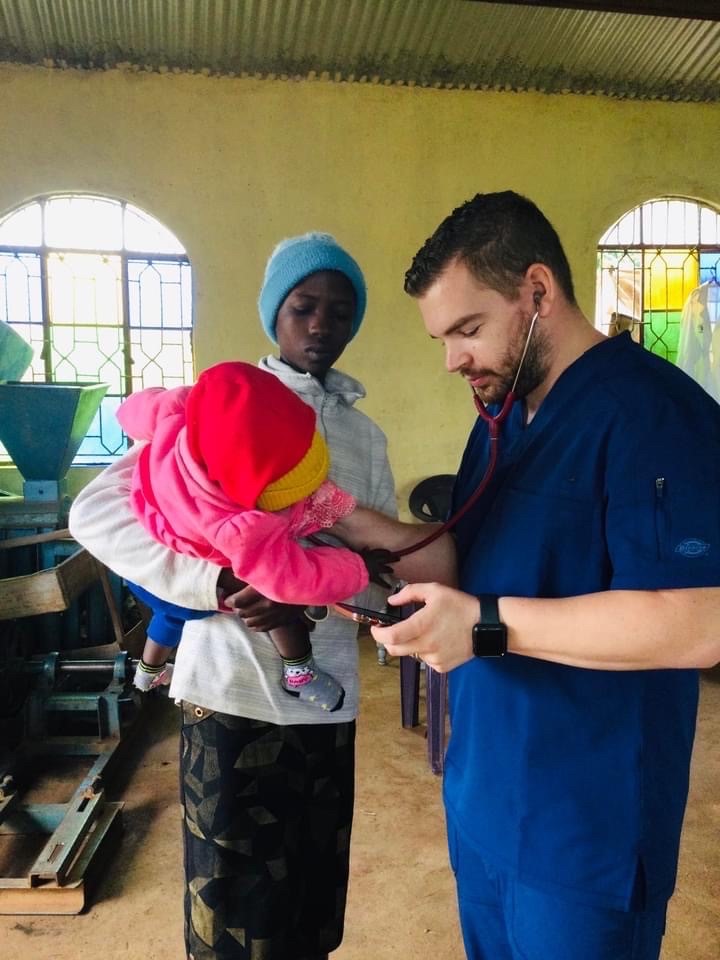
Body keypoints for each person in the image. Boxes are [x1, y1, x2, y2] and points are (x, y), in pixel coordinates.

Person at [334, 191, 720, 960]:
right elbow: (465, 560)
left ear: (537, 292)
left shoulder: (653, 414)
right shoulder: (503, 416)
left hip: (586, 834)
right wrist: (341, 531)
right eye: (442, 338)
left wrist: (485, 627)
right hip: (486, 794)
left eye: (467, 329)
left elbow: (698, 622)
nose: (452, 359)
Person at [69, 232, 400, 960]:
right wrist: (218, 584)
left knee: (309, 906)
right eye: (304, 307)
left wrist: (319, 595)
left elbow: (376, 573)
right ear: (272, 313)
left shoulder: (365, 438)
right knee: (231, 918)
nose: (322, 325)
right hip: (229, 698)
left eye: (340, 312)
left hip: (328, 704)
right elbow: (95, 513)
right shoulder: (216, 405)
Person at [117, 360, 391, 710]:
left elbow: (138, 409)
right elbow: (294, 578)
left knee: (170, 616)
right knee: (274, 600)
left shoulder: (189, 409)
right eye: (290, 490)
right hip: (202, 552)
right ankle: (299, 672)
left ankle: (147, 672)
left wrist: (127, 409)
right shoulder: (244, 530)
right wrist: (359, 567)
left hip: (155, 508)